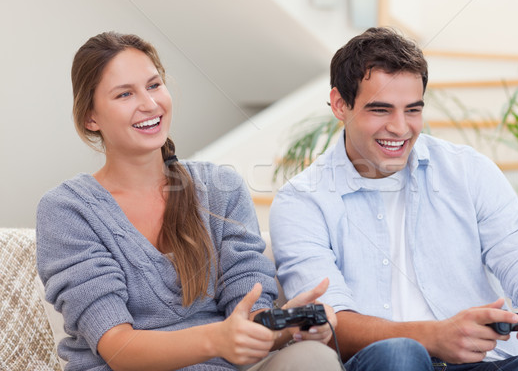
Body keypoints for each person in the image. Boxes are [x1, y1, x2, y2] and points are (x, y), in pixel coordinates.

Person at [269, 27, 518, 370]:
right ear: (340, 104)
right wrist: (434, 337)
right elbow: (330, 320)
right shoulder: (302, 201)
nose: (400, 128)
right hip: (388, 364)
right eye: (380, 110)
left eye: (412, 110)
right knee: (401, 354)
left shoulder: (468, 170)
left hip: (490, 364)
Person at [36, 31, 342, 371]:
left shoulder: (220, 188)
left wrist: (284, 327)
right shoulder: (67, 211)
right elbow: (118, 348)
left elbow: (247, 312)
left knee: (313, 358)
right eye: (125, 94)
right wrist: (217, 339)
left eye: (154, 85)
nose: (149, 104)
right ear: (90, 118)